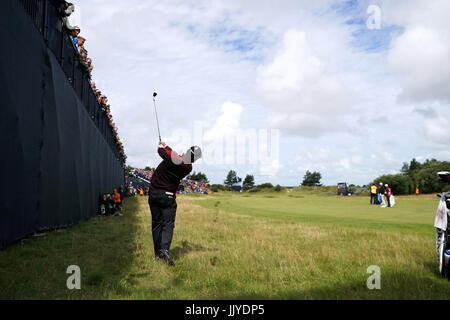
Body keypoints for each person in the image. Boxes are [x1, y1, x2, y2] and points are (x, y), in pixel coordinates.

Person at [148, 142, 202, 266]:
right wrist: (166, 147)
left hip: (154, 193)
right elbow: (172, 155)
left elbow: (161, 151)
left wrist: (163, 146)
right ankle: (164, 249)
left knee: (156, 224)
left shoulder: (176, 158)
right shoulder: (188, 167)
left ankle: (158, 254)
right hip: (168, 196)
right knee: (168, 224)